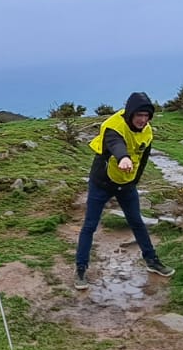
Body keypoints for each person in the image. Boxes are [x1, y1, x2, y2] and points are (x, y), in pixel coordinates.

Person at [74, 92, 176, 289]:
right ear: (130, 113)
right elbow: (115, 144)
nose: (143, 120)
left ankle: (152, 261)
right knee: (90, 225)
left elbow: (144, 158)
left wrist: (134, 181)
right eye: (139, 115)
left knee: (137, 222)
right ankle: (80, 269)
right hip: (101, 183)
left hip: (127, 184)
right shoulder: (113, 126)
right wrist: (123, 158)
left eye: (147, 116)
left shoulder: (147, 131)